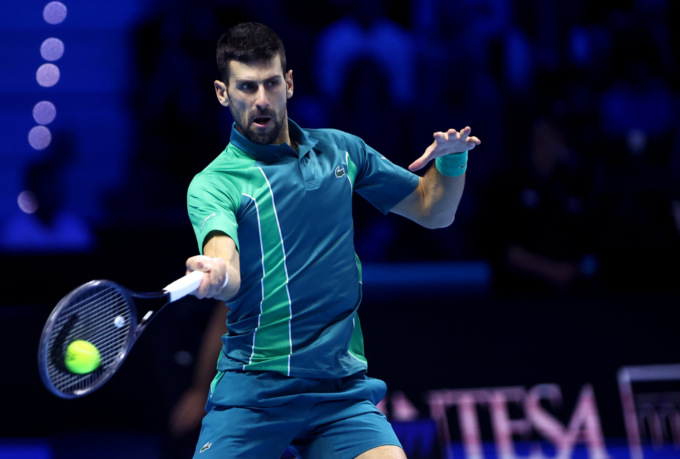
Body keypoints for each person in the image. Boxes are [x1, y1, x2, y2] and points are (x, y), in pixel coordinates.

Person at [182, 22, 480, 458]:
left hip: (338, 392)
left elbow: (433, 210)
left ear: (289, 83)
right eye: (246, 87)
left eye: (271, 83)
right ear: (223, 93)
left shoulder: (341, 151)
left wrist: (451, 164)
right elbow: (225, 265)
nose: (261, 99)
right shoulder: (214, 183)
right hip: (254, 394)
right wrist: (216, 272)